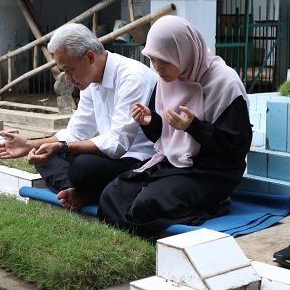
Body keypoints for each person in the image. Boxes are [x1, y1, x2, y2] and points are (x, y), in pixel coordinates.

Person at [98, 15, 253, 239]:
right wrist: (151, 121)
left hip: (213, 171)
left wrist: (194, 127)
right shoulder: (168, 79)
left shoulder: (225, 83)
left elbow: (237, 146)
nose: (158, 69)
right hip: (173, 163)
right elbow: (163, 138)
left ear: (184, 52)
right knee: (111, 197)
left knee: (145, 207)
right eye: (153, 60)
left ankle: (213, 205)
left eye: (165, 61)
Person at [0, 23, 159, 211]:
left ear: (89, 57)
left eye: (69, 69)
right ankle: (80, 192)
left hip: (139, 159)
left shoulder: (132, 77)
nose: (67, 78)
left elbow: (117, 143)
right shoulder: (90, 81)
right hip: (110, 158)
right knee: (43, 158)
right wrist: (31, 145)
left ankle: (85, 191)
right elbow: (76, 133)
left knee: (83, 168)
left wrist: (61, 147)